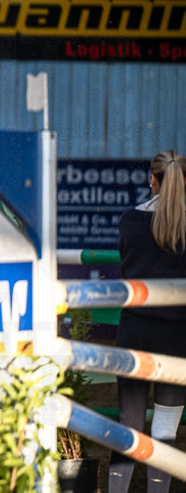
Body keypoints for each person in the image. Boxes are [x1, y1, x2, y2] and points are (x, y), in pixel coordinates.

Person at [108, 149, 186, 493]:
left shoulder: (129, 220)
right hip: (177, 337)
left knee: (129, 426)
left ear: (151, 180)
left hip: (134, 330)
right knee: (165, 430)